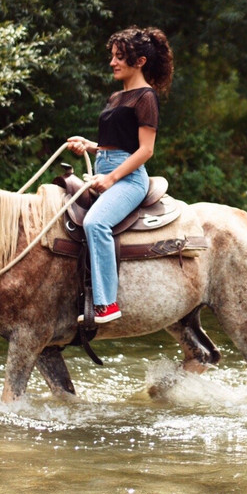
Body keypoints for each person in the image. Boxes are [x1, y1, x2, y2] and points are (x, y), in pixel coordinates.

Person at [66, 26, 173, 323]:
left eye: (120, 57)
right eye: (112, 56)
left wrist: (112, 178)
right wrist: (90, 145)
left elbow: (145, 150)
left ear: (139, 62)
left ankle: (106, 303)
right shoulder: (116, 97)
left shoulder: (146, 97)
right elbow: (115, 142)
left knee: (96, 222)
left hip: (129, 178)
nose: (113, 62)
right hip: (104, 167)